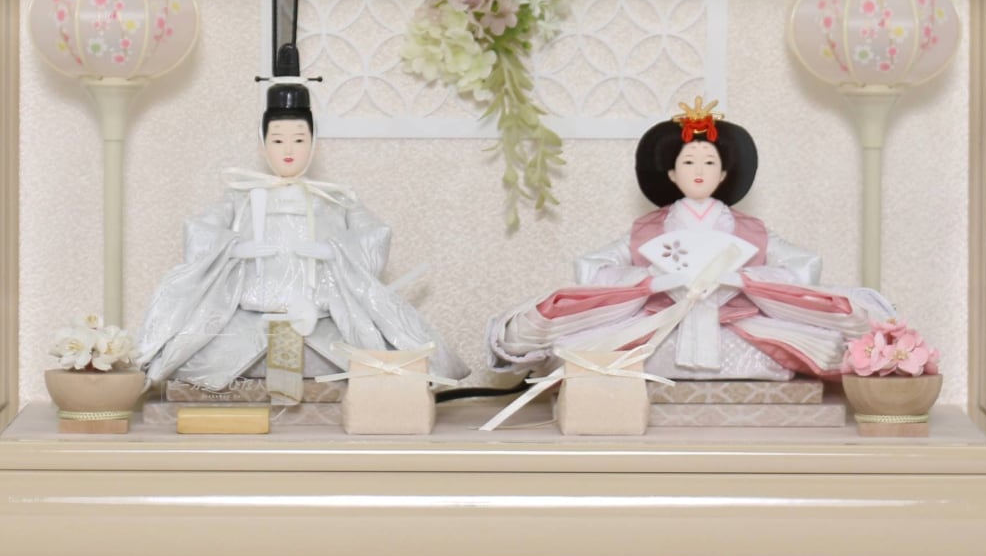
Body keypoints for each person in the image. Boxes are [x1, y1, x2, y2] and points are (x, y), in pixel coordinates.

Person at [136, 75, 467, 390]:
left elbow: (375, 233)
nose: (288, 150)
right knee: (197, 359)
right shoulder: (240, 197)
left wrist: (335, 250)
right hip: (248, 320)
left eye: (299, 140)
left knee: (373, 362)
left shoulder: (335, 198)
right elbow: (198, 231)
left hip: (321, 320)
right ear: (263, 144)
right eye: (277, 140)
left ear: (313, 143)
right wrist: (234, 249)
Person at [488, 97, 844, 380]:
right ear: (671, 173)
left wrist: (744, 280)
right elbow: (591, 267)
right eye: (688, 163)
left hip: (735, 325)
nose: (699, 171)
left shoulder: (751, 229)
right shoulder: (647, 229)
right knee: (586, 349)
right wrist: (651, 281)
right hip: (663, 324)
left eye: (709, 163)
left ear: (724, 173)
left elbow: (804, 264)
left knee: (793, 349)